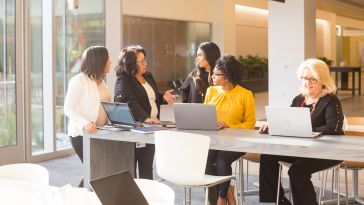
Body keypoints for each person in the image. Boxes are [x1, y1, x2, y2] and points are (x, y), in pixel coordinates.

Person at [259, 58, 344, 205]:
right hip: (302, 150)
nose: (308, 83)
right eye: (305, 78)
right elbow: (288, 122)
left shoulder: (331, 100)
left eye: (313, 79)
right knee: (267, 157)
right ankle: (278, 201)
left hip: (328, 151)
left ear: (323, 80)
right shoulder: (299, 99)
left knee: (297, 171)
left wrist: (307, 130)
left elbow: (334, 127)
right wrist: (272, 125)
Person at [114, 45, 175, 179]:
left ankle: (148, 198)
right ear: (130, 63)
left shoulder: (148, 76)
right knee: (130, 170)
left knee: (147, 168)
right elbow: (130, 102)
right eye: (141, 62)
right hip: (136, 130)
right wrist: (145, 118)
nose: (145, 64)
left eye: (145, 60)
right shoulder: (123, 80)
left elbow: (151, 97)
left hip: (152, 128)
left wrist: (162, 97)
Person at [204, 55, 256, 205]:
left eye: (216, 74)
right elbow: (205, 116)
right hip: (214, 140)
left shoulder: (245, 95)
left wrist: (228, 125)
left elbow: (250, 124)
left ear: (227, 76)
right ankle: (228, 193)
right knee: (205, 159)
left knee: (221, 160)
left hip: (237, 141)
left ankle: (221, 199)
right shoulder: (211, 91)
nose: (212, 76)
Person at [64, 46, 112, 187]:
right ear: (99, 61)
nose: (110, 61)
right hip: (81, 134)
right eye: (107, 58)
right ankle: (77, 198)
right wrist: (84, 123)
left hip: (99, 133)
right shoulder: (78, 81)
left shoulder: (101, 81)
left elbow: (104, 106)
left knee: (97, 169)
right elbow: (68, 108)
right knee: (94, 169)